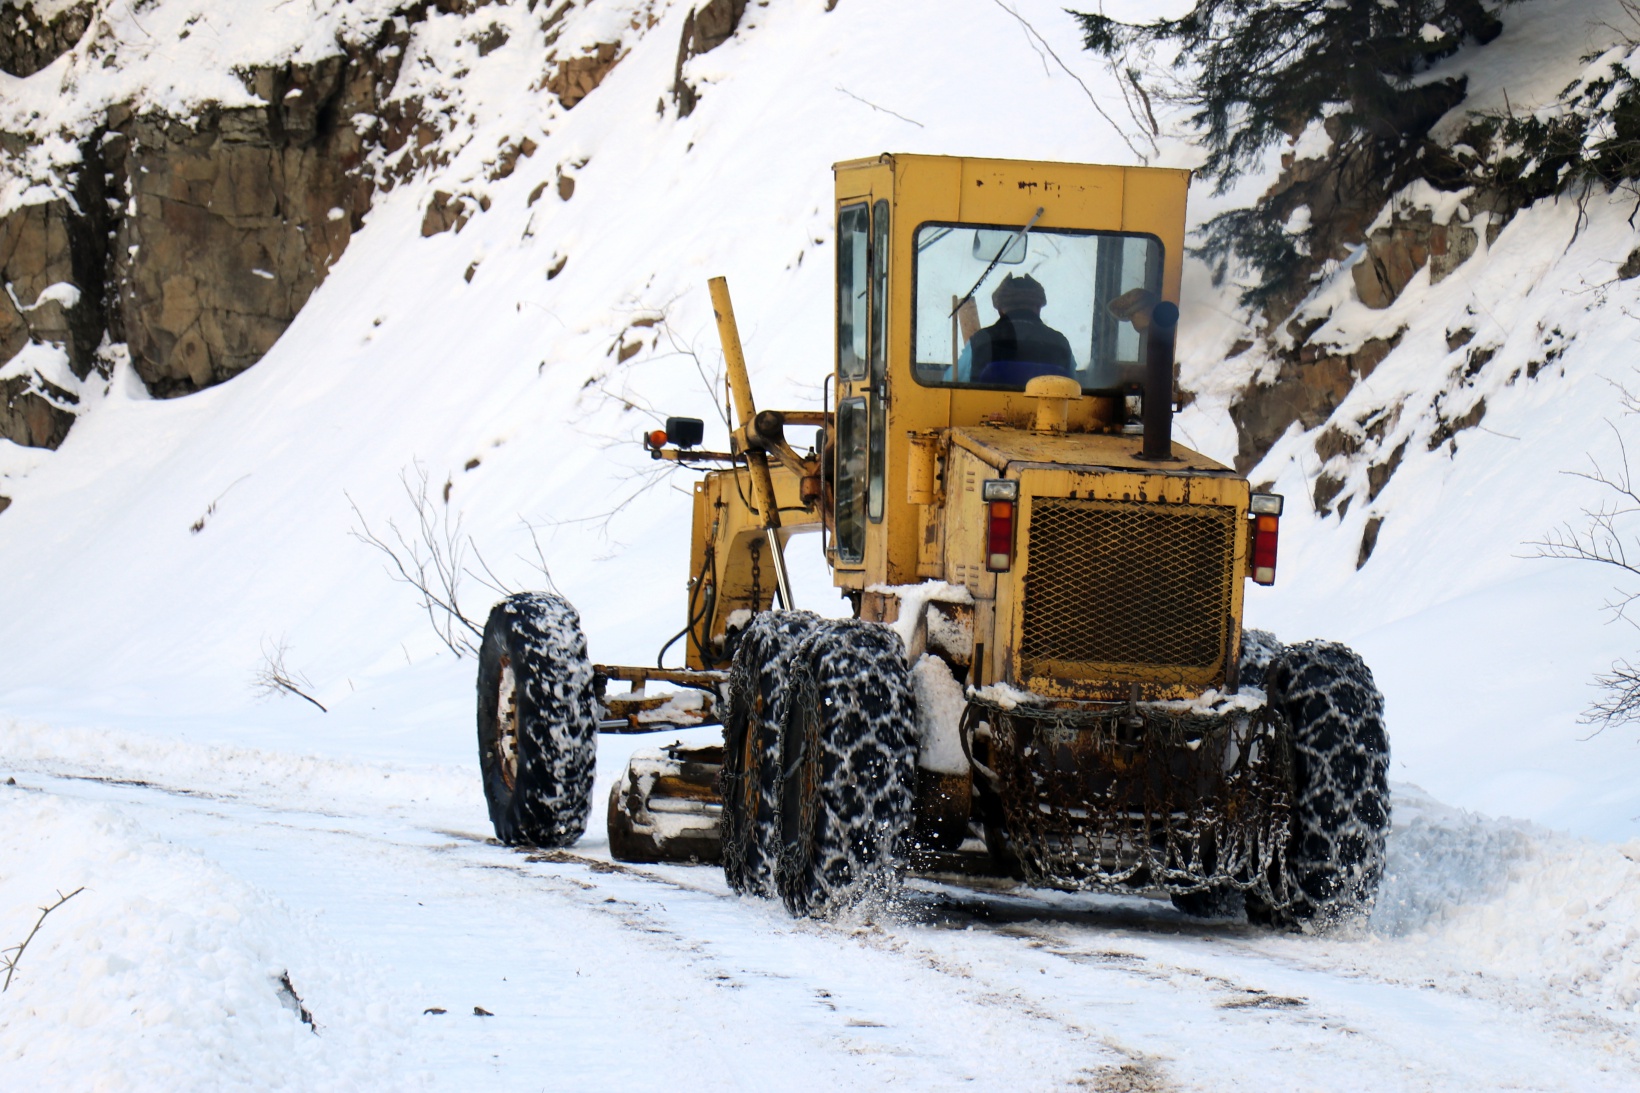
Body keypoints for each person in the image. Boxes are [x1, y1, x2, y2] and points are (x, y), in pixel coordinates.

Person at [961, 273, 1076, 385]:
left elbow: (954, 380)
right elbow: (1076, 387)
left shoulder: (981, 341)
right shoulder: (1061, 344)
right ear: (1038, 307)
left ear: (1000, 309)